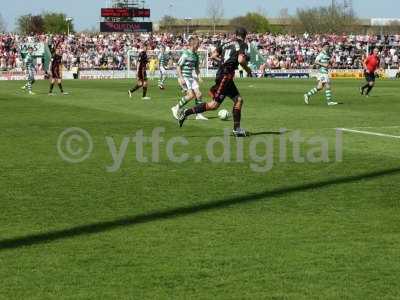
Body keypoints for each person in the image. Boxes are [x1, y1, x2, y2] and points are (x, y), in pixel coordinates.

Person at [178, 28, 252, 137]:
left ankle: (237, 129)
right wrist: (247, 70)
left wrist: (222, 62)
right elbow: (241, 60)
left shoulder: (226, 43)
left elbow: (213, 56)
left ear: (235, 34)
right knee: (214, 105)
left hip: (224, 76)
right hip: (225, 77)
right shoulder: (242, 44)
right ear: (244, 36)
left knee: (239, 100)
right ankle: (186, 112)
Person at [171, 36, 208, 121]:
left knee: (199, 94)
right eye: (198, 44)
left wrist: (199, 77)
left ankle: (198, 114)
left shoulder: (196, 55)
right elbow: (178, 66)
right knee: (191, 95)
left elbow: (197, 68)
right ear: (193, 44)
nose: (199, 46)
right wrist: (181, 78)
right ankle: (176, 108)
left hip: (190, 78)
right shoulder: (185, 54)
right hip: (184, 77)